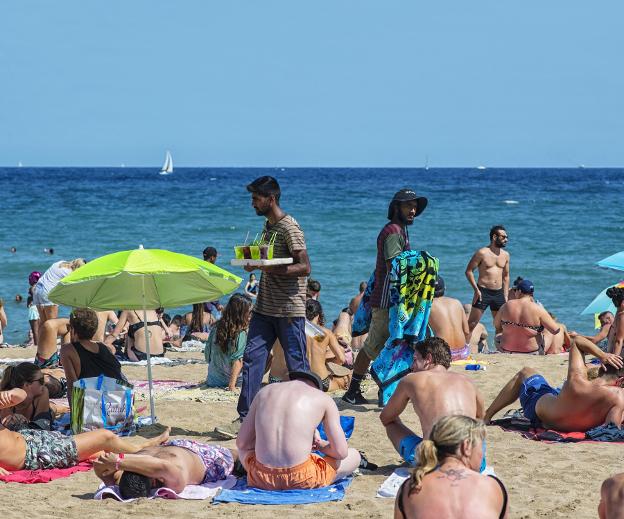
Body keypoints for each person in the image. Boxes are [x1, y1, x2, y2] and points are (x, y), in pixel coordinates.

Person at [216, 176, 311, 439]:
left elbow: (305, 267)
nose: (252, 203)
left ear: (271, 199)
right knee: (252, 359)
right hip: (264, 306)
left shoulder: (289, 227)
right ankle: (246, 418)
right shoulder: (268, 227)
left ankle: (311, 417)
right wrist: (255, 263)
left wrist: (268, 267)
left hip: (289, 310)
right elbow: (268, 261)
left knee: (297, 365)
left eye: (256, 198)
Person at [342, 188, 428, 405]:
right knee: (373, 346)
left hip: (391, 299)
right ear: (397, 207)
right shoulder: (392, 232)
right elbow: (395, 267)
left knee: (391, 344)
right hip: (386, 301)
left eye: (415, 206)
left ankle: (380, 389)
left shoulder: (400, 230)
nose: (413, 210)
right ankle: (352, 392)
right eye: (408, 205)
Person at [236, 371, 360, 490]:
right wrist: (320, 444)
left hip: (260, 478)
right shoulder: (323, 399)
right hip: (302, 479)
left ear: (290, 380)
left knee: (242, 451)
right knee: (354, 455)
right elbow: (341, 452)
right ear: (316, 388)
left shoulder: (264, 392)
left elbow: (242, 443)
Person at [0, 391, 170, 473]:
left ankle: (142, 448)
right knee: (105, 436)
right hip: (34, 453)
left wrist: (10, 395)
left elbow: (23, 396)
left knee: (99, 450)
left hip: (31, 440)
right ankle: (144, 449)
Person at [484, 334, 624, 430]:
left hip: (541, 414)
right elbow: (612, 427)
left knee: (525, 372)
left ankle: (487, 416)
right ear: (621, 381)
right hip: (573, 422)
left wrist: (603, 355)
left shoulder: (577, 380)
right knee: (557, 393)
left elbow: (577, 341)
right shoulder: (618, 397)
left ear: (602, 368)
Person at [380, 337, 484, 467]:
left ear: (428, 359)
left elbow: (385, 417)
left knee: (391, 423)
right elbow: (481, 418)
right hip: (475, 461)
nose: (412, 367)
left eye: (415, 360)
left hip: (437, 463)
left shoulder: (412, 380)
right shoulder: (467, 381)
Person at [394, 415, 508, 519]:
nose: (482, 454)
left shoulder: (410, 487)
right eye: (481, 447)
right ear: (466, 446)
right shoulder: (493, 487)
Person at [94, 437, 235, 498]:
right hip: (208, 459)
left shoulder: (123, 478)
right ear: (156, 481)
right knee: (238, 455)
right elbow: (163, 466)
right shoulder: (174, 481)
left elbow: (98, 465)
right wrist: (119, 462)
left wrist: (113, 470)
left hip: (174, 446)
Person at [60, 308, 125, 402]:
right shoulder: (105, 347)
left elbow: (72, 385)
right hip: (121, 403)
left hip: (96, 407)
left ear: (72, 329)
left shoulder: (67, 350)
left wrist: (74, 415)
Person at [493, 280, 560, 354]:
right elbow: (555, 330)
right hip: (531, 352)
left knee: (498, 336)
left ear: (519, 291)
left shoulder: (506, 305)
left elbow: (496, 325)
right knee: (548, 332)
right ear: (532, 293)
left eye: (515, 290)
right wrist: (543, 310)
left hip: (507, 350)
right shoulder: (538, 308)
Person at [465, 226, 510, 333]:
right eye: (503, 237)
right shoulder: (482, 253)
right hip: (482, 292)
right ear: (494, 237)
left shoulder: (506, 255)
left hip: (498, 293)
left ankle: (499, 349)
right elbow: (469, 271)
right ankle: (463, 348)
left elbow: (506, 276)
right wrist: (476, 290)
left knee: (500, 326)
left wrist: (506, 295)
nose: (506, 240)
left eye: (507, 237)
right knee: (471, 324)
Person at [205, 294, 253, 391]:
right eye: (250, 312)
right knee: (268, 355)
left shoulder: (215, 328)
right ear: (241, 313)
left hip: (213, 380)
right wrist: (232, 386)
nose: (251, 315)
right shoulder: (240, 333)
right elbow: (238, 361)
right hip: (235, 381)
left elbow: (207, 355)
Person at [304, 299, 351, 391]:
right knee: (344, 381)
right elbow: (341, 358)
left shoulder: (296, 330)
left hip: (302, 378)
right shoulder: (325, 333)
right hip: (320, 381)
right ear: (318, 315)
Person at [33, 258, 85, 330]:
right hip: (48, 292)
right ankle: (51, 341)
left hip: (37, 289)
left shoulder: (60, 263)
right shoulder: (71, 274)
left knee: (43, 323)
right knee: (52, 325)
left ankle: (40, 341)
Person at [428, 277, 471, 360]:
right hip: (463, 352)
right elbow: (466, 331)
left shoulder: (429, 306)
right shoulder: (457, 302)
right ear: (445, 288)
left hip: (443, 354)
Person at [0, 362, 52, 430]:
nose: (44, 383)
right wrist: (15, 420)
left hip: (45, 415)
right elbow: (7, 423)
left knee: (52, 411)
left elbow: (43, 424)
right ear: (27, 385)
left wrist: (24, 423)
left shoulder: (43, 392)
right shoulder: (8, 396)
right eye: (41, 380)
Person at [606, 287, 624, 356]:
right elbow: (619, 341)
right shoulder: (621, 315)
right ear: (623, 302)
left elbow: (613, 340)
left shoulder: (618, 314)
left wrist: (609, 354)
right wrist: (614, 361)